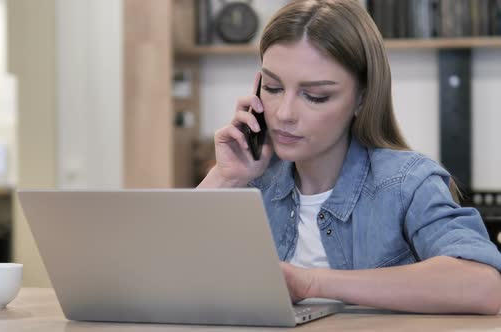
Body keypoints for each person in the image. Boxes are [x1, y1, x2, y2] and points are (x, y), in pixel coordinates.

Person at [198, 0, 501, 314]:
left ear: (362, 98)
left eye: (315, 95)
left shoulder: (406, 183)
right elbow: (154, 279)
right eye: (273, 88)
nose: (284, 113)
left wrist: (312, 283)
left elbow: (483, 285)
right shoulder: (253, 182)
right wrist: (225, 176)